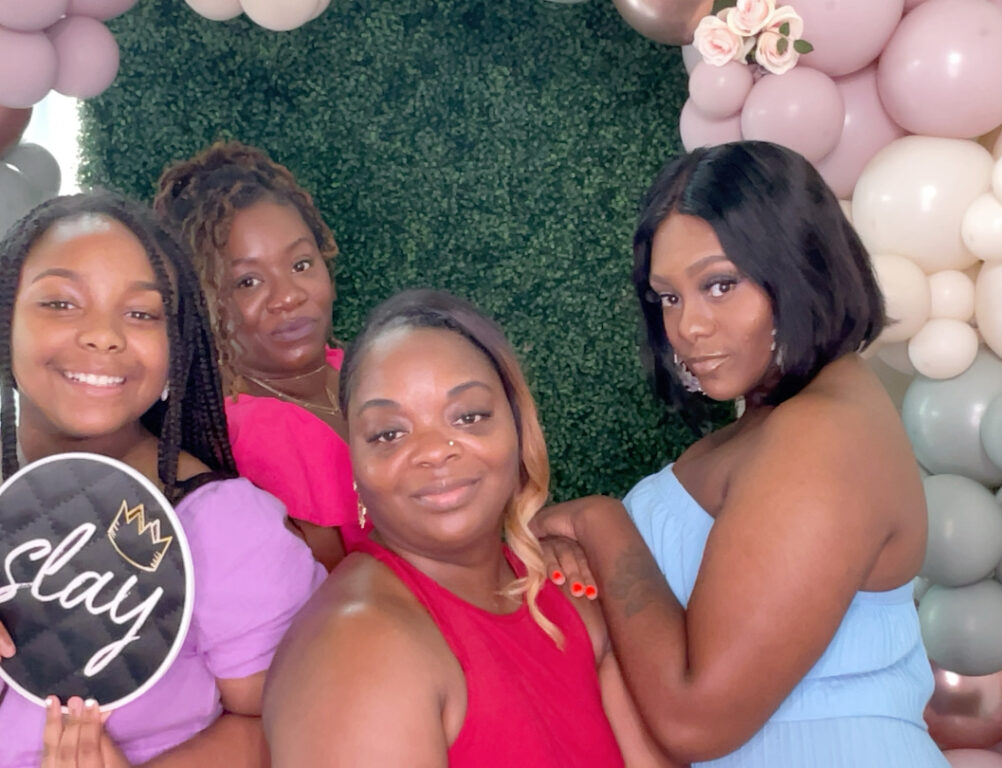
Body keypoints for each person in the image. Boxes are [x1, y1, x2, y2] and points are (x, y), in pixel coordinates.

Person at [533, 142, 948, 766]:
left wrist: (598, 523)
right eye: (668, 297)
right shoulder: (775, 422)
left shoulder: (822, 434)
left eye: (719, 284)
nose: (688, 327)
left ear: (801, 267)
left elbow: (697, 718)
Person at [262, 289, 673, 768]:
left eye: (469, 416)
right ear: (355, 462)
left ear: (519, 427)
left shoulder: (564, 595)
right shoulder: (357, 650)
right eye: (389, 433)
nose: (435, 451)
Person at [0, 190, 324, 767]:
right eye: (61, 303)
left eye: (142, 313)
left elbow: (298, 725)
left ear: (176, 350)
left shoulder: (223, 527)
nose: (104, 335)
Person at [153, 142, 355, 570]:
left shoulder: (356, 369)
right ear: (204, 303)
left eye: (301, 264)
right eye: (247, 282)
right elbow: (344, 590)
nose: (288, 297)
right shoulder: (255, 434)